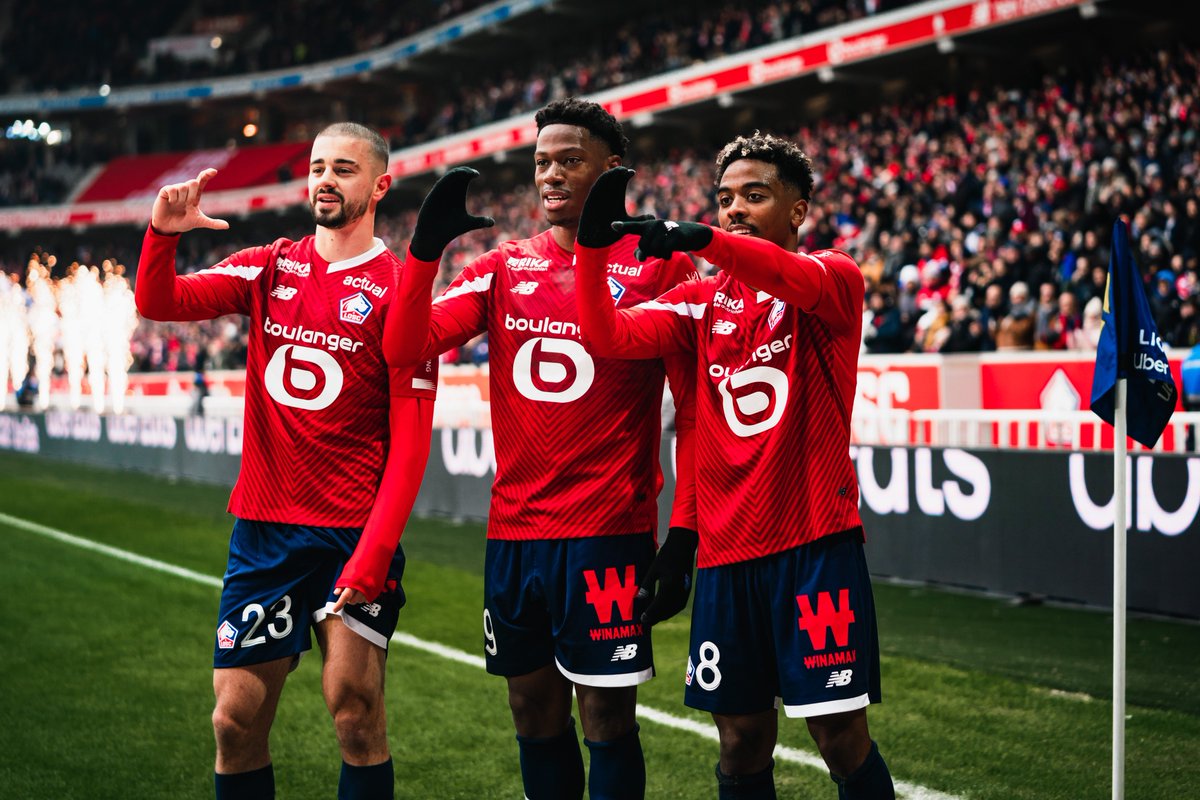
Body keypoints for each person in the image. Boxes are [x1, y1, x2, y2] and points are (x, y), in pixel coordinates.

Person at [377, 97, 698, 800]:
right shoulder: (501, 267)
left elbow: (695, 414)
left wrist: (683, 534)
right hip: (515, 533)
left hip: (607, 533)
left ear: (611, 171)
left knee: (607, 714)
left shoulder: (659, 269)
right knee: (530, 709)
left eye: (569, 160)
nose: (549, 175)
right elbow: (403, 347)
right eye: (541, 162)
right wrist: (423, 254)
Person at [572, 134, 895, 798]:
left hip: (814, 546)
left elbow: (785, 276)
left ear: (798, 209)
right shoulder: (697, 305)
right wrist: (590, 248)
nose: (736, 210)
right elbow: (605, 334)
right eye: (725, 200)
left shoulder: (834, 279)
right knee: (740, 741)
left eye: (756, 195)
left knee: (838, 736)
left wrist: (704, 243)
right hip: (726, 559)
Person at [134, 122, 440, 800]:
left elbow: (412, 440)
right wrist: (163, 235)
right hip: (264, 532)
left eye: (345, 169)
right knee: (233, 722)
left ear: (380, 185)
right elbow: (159, 301)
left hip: (352, 535)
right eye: (318, 167)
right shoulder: (270, 263)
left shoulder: (402, 290)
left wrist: (373, 551)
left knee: (355, 714)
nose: (325, 179)